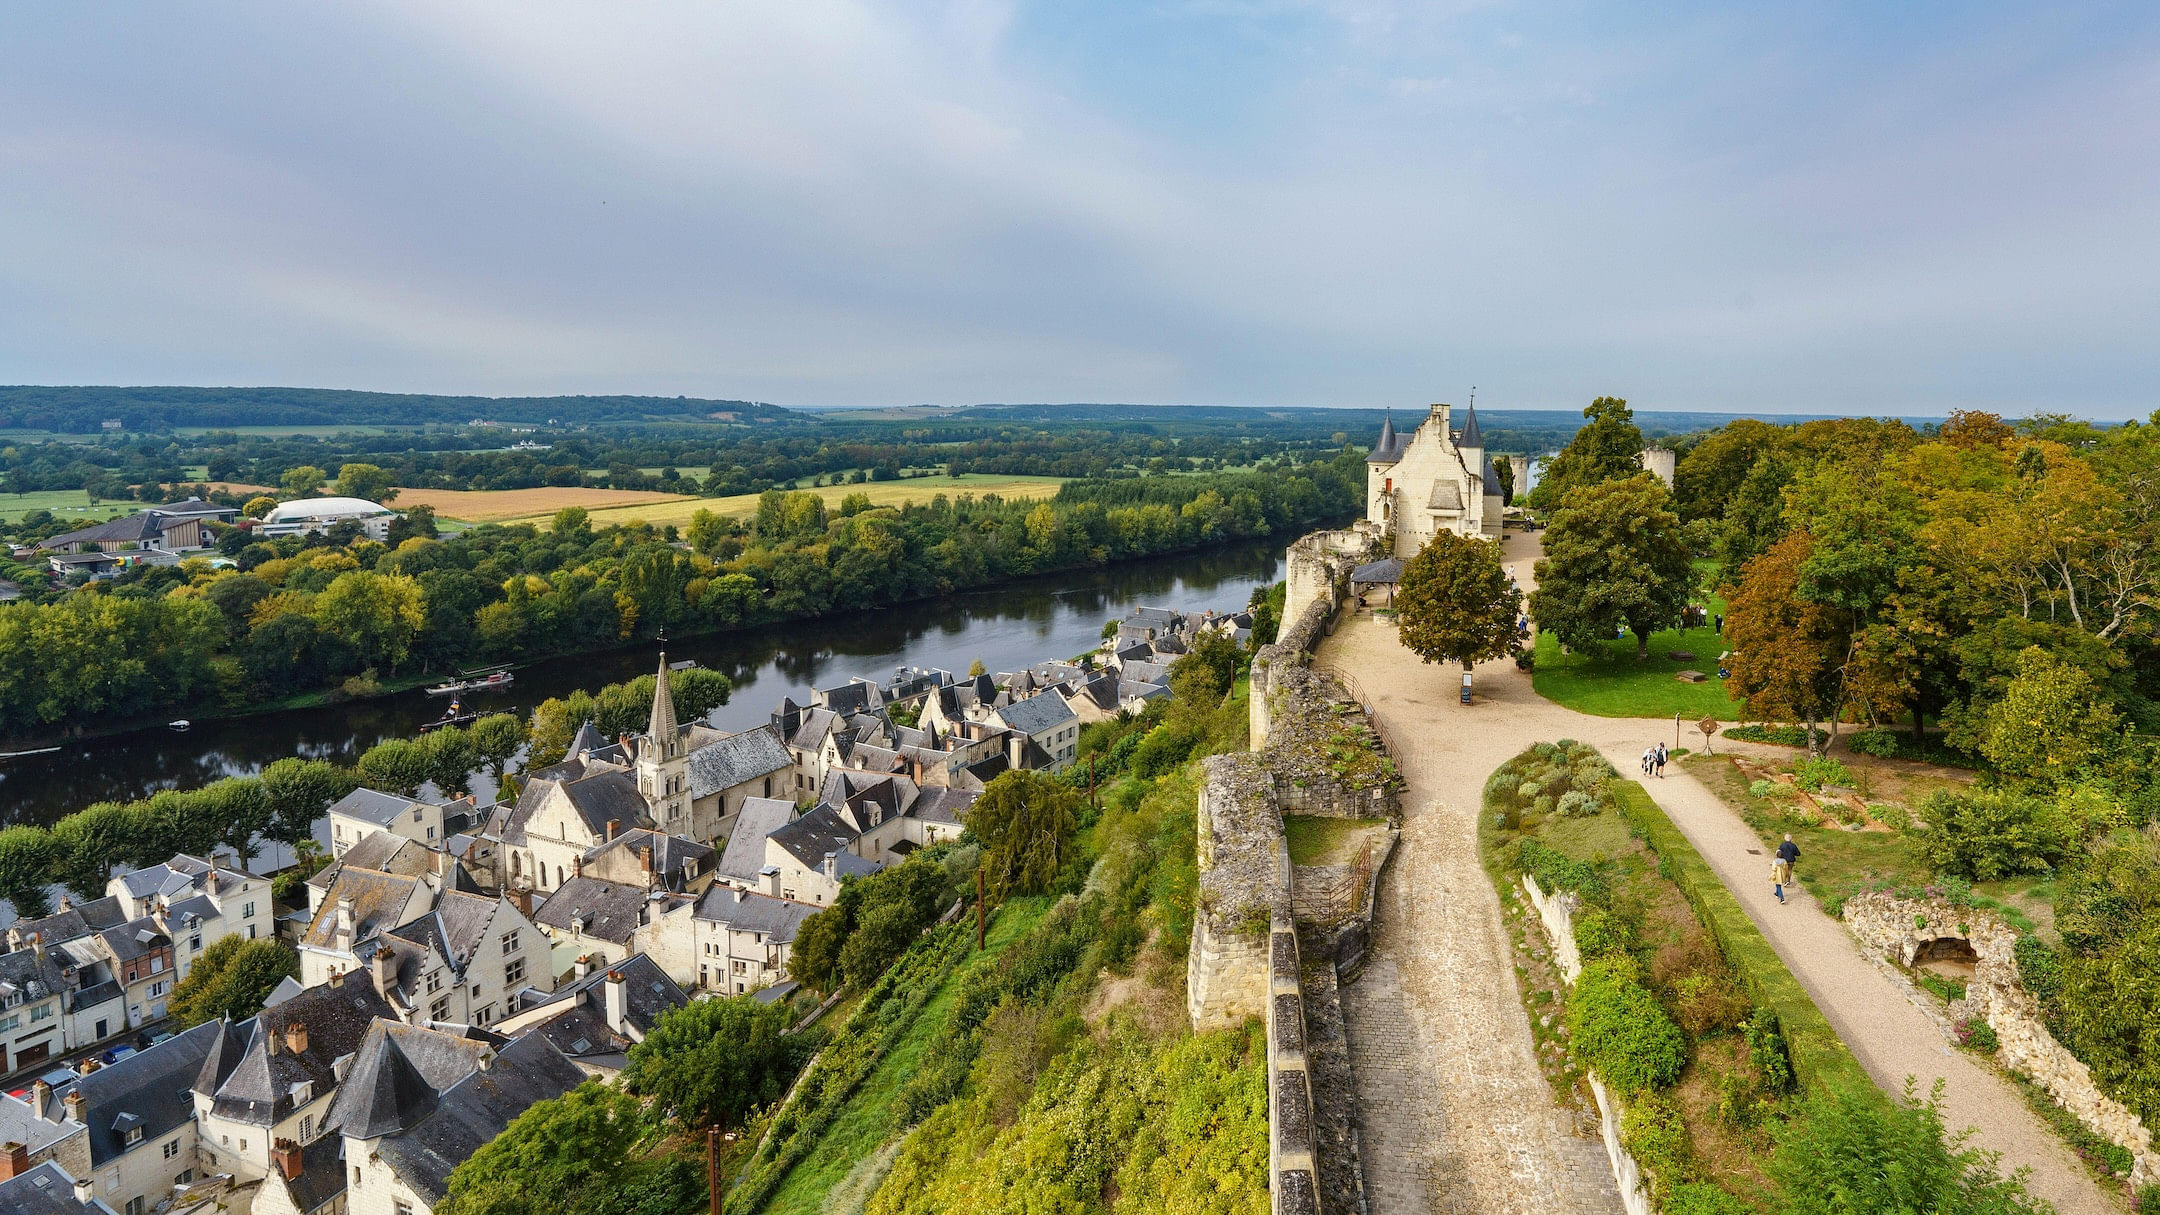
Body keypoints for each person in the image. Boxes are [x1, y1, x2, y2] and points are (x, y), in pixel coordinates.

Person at [1773, 833, 1800, 903]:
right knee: (1790, 870)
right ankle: (1788, 881)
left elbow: (1778, 851)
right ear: (1791, 839)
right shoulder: (1793, 846)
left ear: (1785, 838)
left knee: (1784, 870)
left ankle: (1783, 880)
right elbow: (1798, 853)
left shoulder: (1782, 845)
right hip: (1791, 860)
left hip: (1784, 860)